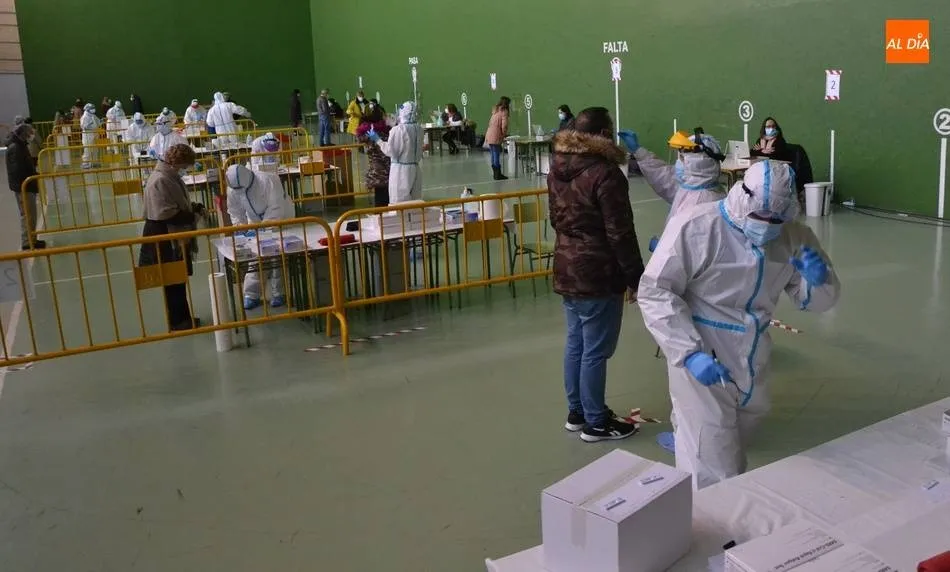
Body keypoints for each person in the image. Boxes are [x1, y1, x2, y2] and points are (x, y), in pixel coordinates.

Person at [638, 160, 841, 491]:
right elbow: (655, 290)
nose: (767, 225)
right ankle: (711, 516)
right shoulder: (697, 226)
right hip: (703, 348)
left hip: (752, 353)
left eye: (776, 219)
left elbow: (819, 303)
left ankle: (689, 446)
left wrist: (819, 281)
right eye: (761, 216)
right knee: (712, 461)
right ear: (743, 197)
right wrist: (688, 353)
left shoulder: (793, 236)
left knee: (734, 437)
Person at [548, 107, 645, 443]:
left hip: (566, 266)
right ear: (603, 134)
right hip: (598, 273)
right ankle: (596, 422)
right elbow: (620, 233)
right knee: (595, 350)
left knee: (576, 343)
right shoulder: (606, 174)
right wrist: (636, 278)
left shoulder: (557, 168)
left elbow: (555, 219)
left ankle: (577, 412)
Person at [621, 127, 725, 252]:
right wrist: (639, 151)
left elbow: (689, 253)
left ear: (697, 163)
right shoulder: (694, 188)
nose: (678, 161)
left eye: (682, 157)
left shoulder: (701, 204)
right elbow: (664, 176)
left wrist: (663, 249)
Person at [139, 144, 206, 331]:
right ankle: (178, 321)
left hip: (171, 234)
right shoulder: (161, 179)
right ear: (176, 163)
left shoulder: (169, 176)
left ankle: (183, 317)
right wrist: (193, 215)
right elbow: (167, 213)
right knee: (172, 281)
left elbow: (177, 203)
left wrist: (193, 207)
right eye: (185, 166)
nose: (185, 170)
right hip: (165, 236)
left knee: (178, 279)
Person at [225, 164, 294, 310]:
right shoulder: (233, 189)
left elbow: (275, 208)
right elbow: (235, 210)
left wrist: (263, 228)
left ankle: (279, 293)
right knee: (255, 255)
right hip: (255, 220)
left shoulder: (269, 180)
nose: (239, 191)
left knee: (277, 254)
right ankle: (252, 294)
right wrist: (239, 227)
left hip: (281, 218)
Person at [367, 101, 423, 204]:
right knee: (415, 200)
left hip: (401, 171)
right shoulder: (419, 129)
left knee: (399, 201)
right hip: (415, 169)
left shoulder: (398, 130)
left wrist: (378, 140)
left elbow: (391, 151)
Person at [5, 123, 46, 250]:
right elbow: (18, 171)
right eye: (29, 133)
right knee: (27, 215)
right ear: (23, 134)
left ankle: (31, 239)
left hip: (26, 185)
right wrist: (31, 178)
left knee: (30, 215)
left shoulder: (20, 146)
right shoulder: (16, 148)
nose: (31, 136)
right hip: (24, 187)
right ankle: (27, 242)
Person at [356, 109, 392, 207]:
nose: (386, 118)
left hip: (377, 173)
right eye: (385, 116)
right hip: (385, 174)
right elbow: (386, 153)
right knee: (385, 202)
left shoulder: (369, 133)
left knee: (380, 201)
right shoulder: (381, 134)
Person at [485, 96, 511, 180]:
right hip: (496, 134)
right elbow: (504, 126)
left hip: (489, 134)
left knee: (493, 154)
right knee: (496, 154)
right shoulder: (504, 112)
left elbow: (490, 123)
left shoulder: (495, 110)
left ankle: (495, 174)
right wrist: (504, 134)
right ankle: (498, 175)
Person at [80, 102, 101, 168]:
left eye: (93, 108)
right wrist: (89, 125)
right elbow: (83, 126)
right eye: (92, 108)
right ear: (88, 109)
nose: (93, 109)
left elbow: (98, 122)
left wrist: (100, 122)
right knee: (88, 149)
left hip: (95, 133)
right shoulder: (84, 117)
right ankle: (85, 163)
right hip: (88, 134)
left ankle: (94, 162)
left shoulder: (93, 115)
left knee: (95, 149)